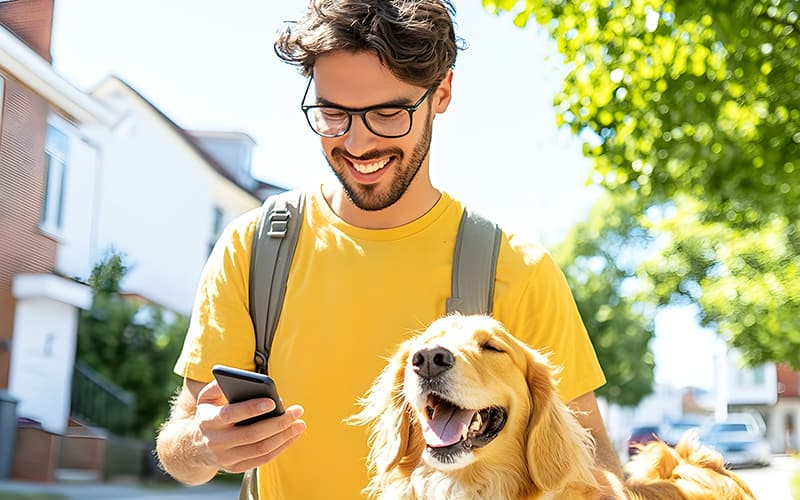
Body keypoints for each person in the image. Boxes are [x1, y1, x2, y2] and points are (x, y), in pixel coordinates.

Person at [155, 0, 623, 498]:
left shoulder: (516, 268)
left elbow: (589, 463)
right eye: (333, 113)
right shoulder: (254, 250)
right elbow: (181, 447)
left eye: (387, 113)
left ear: (441, 91)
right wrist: (206, 447)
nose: (357, 143)